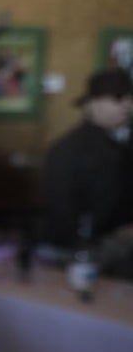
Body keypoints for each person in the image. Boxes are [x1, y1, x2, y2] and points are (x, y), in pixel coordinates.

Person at [39, 69, 133, 256]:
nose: (127, 105)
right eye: (118, 98)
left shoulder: (126, 141)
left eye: (130, 98)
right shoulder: (69, 150)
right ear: (93, 104)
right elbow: (61, 208)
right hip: (85, 249)